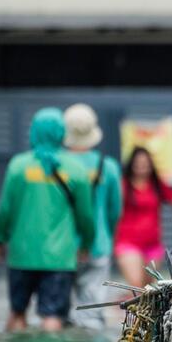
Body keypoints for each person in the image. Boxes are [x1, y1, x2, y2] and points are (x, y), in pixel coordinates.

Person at [0, 108, 95, 332]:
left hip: (21, 255)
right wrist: (86, 244)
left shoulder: (18, 166)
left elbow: (5, 210)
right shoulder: (76, 169)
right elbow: (86, 216)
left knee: (17, 312)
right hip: (59, 257)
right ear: (61, 134)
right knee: (52, 316)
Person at [63, 103, 122, 329]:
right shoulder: (107, 166)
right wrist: (106, 234)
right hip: (99, 244)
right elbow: (114, 210)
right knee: (93, 314)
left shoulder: (58, 164)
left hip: (62, 248)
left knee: (59, 316)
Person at [113, 146, 172, 288]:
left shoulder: (156, 185)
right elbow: (110, 207)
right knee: (136, 286)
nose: (142, 167)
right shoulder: (122, 185)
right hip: (128, 243)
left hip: (153, 246)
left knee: (148, 289)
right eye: (138, 163)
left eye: (145, 163)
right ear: (132, 165)